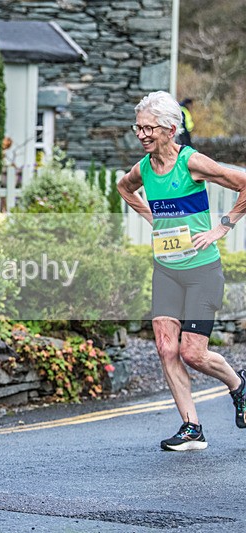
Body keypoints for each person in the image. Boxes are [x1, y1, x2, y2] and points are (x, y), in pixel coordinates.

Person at [117, 91, 246, 451]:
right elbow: (124, 187)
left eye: (148, 128)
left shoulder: (192, 162)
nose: (141, 134)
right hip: (166, 269)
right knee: (164, 347)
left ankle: (239, 385)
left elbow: (243, 185)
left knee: (193, 352)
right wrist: (151, 217)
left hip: (202, 271)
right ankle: (192, 427)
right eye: (138, 127)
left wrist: (221, 228)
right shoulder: (143, 168)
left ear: (170, 129)